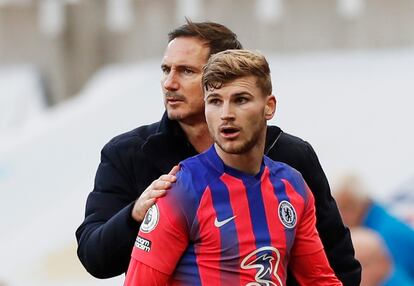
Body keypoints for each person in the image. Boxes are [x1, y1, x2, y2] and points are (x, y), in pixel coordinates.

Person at [76, 19, 361, 285]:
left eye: (186, 71)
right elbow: (94, 256)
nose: (169, 83)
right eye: (166, 70)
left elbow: (337, 265)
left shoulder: (291, 161)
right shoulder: (132, 154)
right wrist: (134, 215)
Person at [124, 49, 342, 285]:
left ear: (269, 107)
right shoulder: (181, 190)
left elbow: (320, 280)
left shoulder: (292, 186)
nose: (226, 114)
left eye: (240, 100)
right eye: (215, 101)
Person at [334, 174, 414, 281]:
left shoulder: (381, 236)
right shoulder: (379, 222)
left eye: (342, 208)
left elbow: (395, 279)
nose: (339, 217)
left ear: (354, 205)